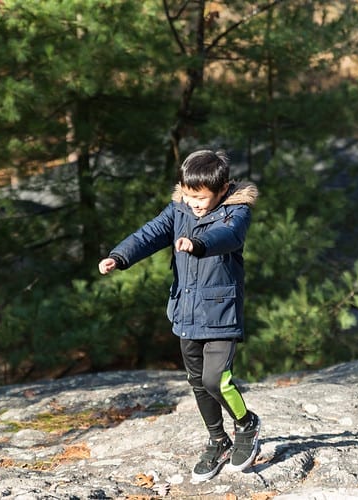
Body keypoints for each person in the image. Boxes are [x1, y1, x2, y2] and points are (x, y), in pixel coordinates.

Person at [98, 149, 261, 483]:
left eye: (200, 198)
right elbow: (148, 234)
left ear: (223, 188)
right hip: (186, 311)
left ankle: (247, 425)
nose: (194, 204)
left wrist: (197, 243)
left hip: (220, 313)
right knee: (198, 382)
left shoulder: (236, 212)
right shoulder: (178, 209)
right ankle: (218, 442)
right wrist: (119, 256)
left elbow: (228, 238)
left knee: (217, 380)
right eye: (188, 196)